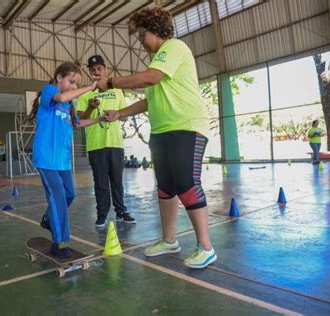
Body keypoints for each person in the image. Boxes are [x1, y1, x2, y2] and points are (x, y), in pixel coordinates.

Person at [98, 8, 216, 269]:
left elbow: (149, 78)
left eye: (142, 34)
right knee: (166, 188)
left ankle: (206, 247)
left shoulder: (174, 47)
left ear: (156, 30)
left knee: (186, 183)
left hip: (187, 126)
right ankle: (169, 240)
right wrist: (119, 113)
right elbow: (148, 101)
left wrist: (111, 83)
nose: (140, 40)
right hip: (162, 130)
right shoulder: (158, 63)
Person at [30, 62, 102, 258]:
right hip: (46, 158)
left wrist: (99, 119)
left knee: (70, 194)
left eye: (76, 84)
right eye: (72, 82)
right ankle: (59, 242)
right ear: (59, 77)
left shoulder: (68, 105)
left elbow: (78, 124)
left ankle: (47, 219)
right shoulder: (49, 91)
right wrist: (90, 87)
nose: (74, 87)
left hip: (62, 160)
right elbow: (61, 96)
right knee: (59, 197)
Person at [77, 55, 135, 227]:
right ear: (89, 72)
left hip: (116, 143)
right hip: (96, 144)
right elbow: (80, 119)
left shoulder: (117, 90)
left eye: (99, 68)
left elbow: (124, 116)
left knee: (117, 180)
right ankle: (102, 213)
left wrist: (115, 114)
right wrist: (90, 107)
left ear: (106, 69)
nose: (96, 72)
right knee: (100, 182)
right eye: (93, 69)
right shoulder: (85, 93)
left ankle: (120, 211)